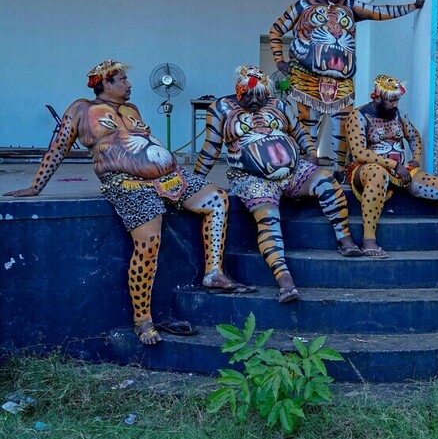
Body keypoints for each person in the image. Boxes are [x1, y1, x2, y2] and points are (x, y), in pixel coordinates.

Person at [4, 60, 254, 345]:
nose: (129, 84)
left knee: (217, 199)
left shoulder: (132, 109)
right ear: (105, 82)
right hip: (125, 182)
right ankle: (143, 319)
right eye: (122, 79)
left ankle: (214, 274)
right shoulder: (81, 109)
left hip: (170, 178)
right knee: (148, 241)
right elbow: (58, 147)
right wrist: (36, 186)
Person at [194, 66, 362, 303]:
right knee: (268, 217)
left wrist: (311, 153)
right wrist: (197, 179)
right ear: (238, 90)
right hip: (250, 177)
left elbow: (299, 131)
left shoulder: (279, 104)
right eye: (248, 95)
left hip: (294, 171)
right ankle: (284, 280)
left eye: (260, 96)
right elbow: (210, 148)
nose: (254, 101)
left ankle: (344, 238)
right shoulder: (220, 108)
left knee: (326, 181)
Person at [269, 0, 425, 177]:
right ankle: (308, 167)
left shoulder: (349, 6)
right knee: (307, 124)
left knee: (342, 125)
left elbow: (378, 11)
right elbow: (276, 29)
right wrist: (279, 61)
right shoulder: (303, 5)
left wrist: (413, 6)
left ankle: (340, 170)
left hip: (342, 79)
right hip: (307, 77)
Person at [345, 74, 438, 258]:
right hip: (366, 170)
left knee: (437, 184)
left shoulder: (399, 115)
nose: (395, 104)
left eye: (397, 100)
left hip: (400, 170)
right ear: (377, 98)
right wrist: (394, 165)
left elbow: (414, 137)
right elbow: (359, 153)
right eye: (391, 101)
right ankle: (369, 240)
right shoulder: (358, 116)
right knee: (378, 173)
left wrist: (415, 160)